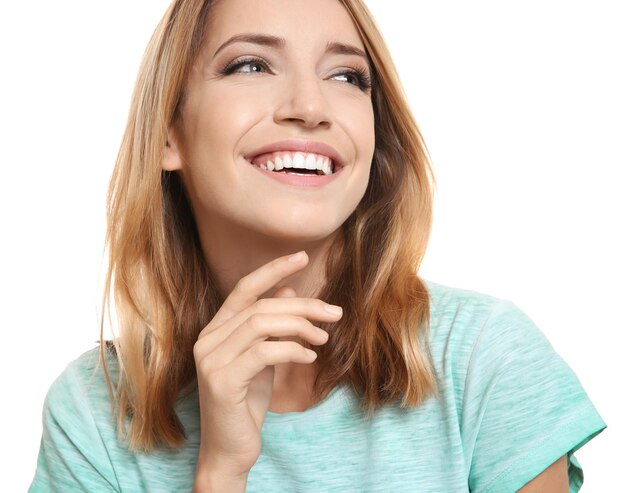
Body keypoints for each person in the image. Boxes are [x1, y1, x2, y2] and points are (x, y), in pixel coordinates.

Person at [28, 0, 606, 491]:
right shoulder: (94, 414)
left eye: (346, 77)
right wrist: (222, 471)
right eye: (251, 64)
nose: (309, 107)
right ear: (168, 134)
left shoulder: (483, 360)